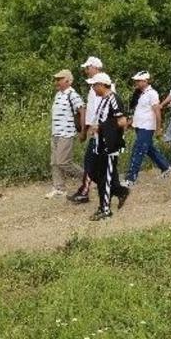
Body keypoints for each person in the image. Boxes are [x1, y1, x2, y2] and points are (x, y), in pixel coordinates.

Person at [68, 56, 115, 204]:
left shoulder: (104, 87)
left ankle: (87, 191)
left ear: (95, 67)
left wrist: (91, 128)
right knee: (93, 162)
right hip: (96, 131)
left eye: (88, 68)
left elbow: (101, 110)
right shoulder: (93, 87)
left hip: (101, 131)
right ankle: (90, 189)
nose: (86, 71)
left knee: (92, 162)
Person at [85, 72, 129, 221]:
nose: (93, 88)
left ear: (102, 85)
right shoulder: (103, 99)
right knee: (96, 173)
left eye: (94, 85)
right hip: (101, 143)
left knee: (106, 178)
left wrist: (101, 127)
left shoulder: (113, 99)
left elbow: (122, 121)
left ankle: (105, 209)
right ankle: (120, 191)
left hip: (110, 146)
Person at [124, 71, 171, 188]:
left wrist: (158, 128)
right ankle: (166, 167)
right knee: (149, 149)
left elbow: (157, 111)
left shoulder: (152, 94)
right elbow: (139, 111)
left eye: (138, 81)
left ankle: (131, 178)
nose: (136, 83)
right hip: (140, 126)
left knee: (138, 150)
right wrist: (130, 122)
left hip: (147, 127)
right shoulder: (141, 93)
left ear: (145, 81)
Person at [48, 69, 85, 198]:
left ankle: (87, 177)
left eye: (60, 79)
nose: (57, 82)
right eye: (56, 79)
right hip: (56, 133)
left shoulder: (72, 95)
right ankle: (59, 188)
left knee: (63, 161)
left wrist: (82, 131)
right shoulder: (58, 94)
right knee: (54, 162)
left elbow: (82, 111)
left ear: (68, 81)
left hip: (66, 133)